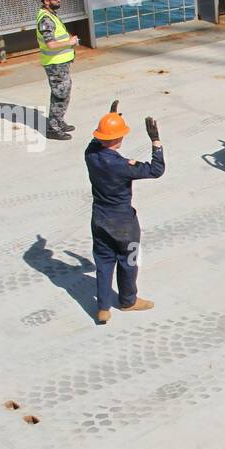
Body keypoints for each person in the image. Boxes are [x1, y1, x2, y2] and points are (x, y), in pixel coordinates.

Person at [84, 102, 165, 325]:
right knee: (129, 260)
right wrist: (156, 142)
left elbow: (97, 140)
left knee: (103, 261)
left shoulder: (90, 154)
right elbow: (156, 170)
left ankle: (102, 308)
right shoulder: (122, 166)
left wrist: (110, 118)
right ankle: (128, 301)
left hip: (99, 218)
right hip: (124, 224)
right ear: (119, 139)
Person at [35, 0, 78, 141]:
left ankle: (59, 121)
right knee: (60, 94)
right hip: (55, 63)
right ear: (46, 1)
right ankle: (53, 128)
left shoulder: (51, 15)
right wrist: (70, 42)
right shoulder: (46, 19)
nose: (58, 0)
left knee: (64, 91)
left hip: (61, 62)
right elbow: (50, 43)